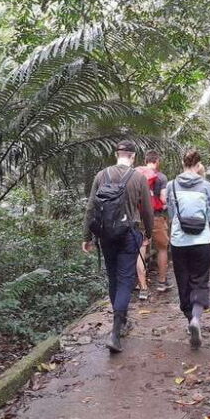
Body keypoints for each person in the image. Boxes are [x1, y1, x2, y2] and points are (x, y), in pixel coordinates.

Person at [82, 140, 153, 353]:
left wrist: (86, 236)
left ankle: (120, 324)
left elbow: (90, 208)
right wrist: (148, 234)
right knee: (125, 280)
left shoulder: (101, 175)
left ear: (116, 155)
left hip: (106, 236)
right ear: (133, 157)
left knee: (113, 278)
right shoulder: (139, 178)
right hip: (129, 235)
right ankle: (115, 331)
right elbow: (148, 211)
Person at [166, 149, 210, 349]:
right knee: (200, 281)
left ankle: (190, 321)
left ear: (183, 163)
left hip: (179, 242)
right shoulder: (206, 186)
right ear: (198, 165)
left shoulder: (171, 185)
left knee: (183, 281)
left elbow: (171, 212)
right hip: (202, 241)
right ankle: (196, 318)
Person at [135, 150, 171, 298]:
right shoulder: (161, 177)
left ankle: (143, 287)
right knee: (162, 248)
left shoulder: (136, 175)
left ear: (146, 161)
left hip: (139, 218)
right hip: (156, 217)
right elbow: (163, 199)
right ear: (157, 161)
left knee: (141, 249)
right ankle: (162, 283)